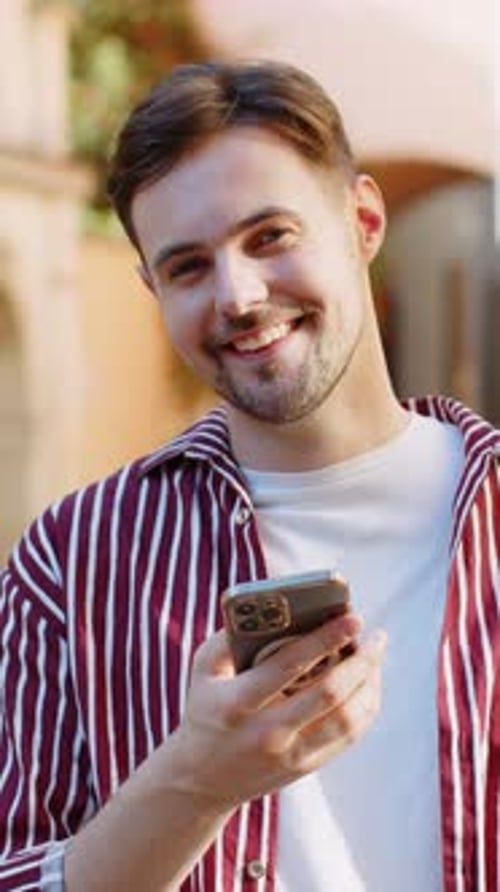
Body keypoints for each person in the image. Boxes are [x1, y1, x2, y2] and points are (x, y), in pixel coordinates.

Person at [0, 59, 498, 892]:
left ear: (364, 220)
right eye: (188, 266)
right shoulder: (72, 562)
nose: (238, 294)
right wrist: (196, 780)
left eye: (270, 236)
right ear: (152, 286)